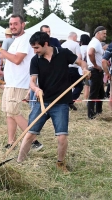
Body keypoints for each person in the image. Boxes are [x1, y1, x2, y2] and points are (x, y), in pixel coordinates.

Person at [16, 31, 89, 172]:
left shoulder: (63, 53)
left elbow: (81, 62)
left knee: (62, 137)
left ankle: (60, 164)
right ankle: (19, 162)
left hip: (61, 103)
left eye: (36, 48)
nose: (34, 51)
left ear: (46, 44)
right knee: (30, 134)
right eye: (33, 48)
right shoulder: (35, 59)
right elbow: (32, 81)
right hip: (42, 102)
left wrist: (85, 69)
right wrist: (36, 89)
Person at [0, 14, 43, 150]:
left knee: (14, 112)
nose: (12, 26)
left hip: (19, 83)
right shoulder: (16, 40)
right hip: (11, 82)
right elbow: (15, 62)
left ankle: (34, 141)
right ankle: (11, 142)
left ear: (23, 24)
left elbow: (17, 59)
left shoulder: (26, 39)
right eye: (10, 24)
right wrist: (2, 73)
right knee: (9, 113)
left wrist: (0, 50)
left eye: (15, 24)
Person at [87, 26, 107, 119]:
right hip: (95, 71)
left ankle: (99, 112)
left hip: (97, 71)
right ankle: (91, 114)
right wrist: (95, 65)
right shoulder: (95, 42)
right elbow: (91, 53)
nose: (105, 35)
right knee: (94, 93)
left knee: (101, 93)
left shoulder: (96, 42)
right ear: (98, 33)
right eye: (104, 33)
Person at [61, 32, 82, 111]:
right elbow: (79, 56)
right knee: (79, 86)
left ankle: (66, 102)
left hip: (64, 68)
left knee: (67, 87)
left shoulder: (62, 45)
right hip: (73, 68)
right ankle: (71, 100)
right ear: (74, 37)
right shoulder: (76, 44)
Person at [80, 34, 91, 100]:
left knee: (86, 86)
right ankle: (88, 99)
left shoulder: (80, 48)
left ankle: (85, 99)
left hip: (82, 69)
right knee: (88, 85)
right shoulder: (90, 47)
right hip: (89, 68)